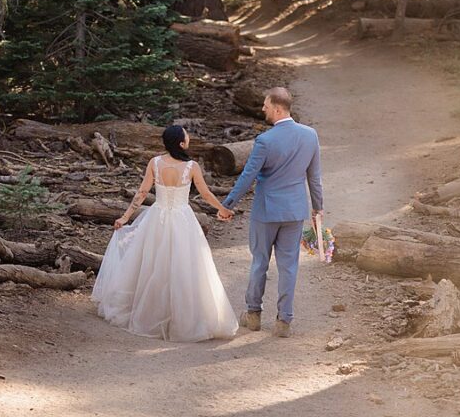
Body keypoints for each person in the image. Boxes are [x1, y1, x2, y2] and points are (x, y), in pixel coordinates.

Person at [90, 124, 239, 342]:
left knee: (151, 264)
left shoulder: (155, 163)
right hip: (182, 220)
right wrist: (222, 209)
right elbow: (205, 194)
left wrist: (126, 217)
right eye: (186, 136)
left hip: (156, 218)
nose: (188, 137)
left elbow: (142, 192)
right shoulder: (191, 166)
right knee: (184, 267)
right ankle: (182, 318)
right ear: (181, 143)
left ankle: (149, 310)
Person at [217, 85, 324, 337]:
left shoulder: (265, 140)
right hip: (294, 211)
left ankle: (253, 315)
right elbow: (315, 177)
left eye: (265, 105)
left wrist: (227, 204)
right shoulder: (310, 135)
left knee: (259, 263)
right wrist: (318, 208)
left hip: (266, 212)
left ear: (277, 108)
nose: (262, 109)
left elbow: (247, 177)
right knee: (289, 266)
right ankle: (284, 321)